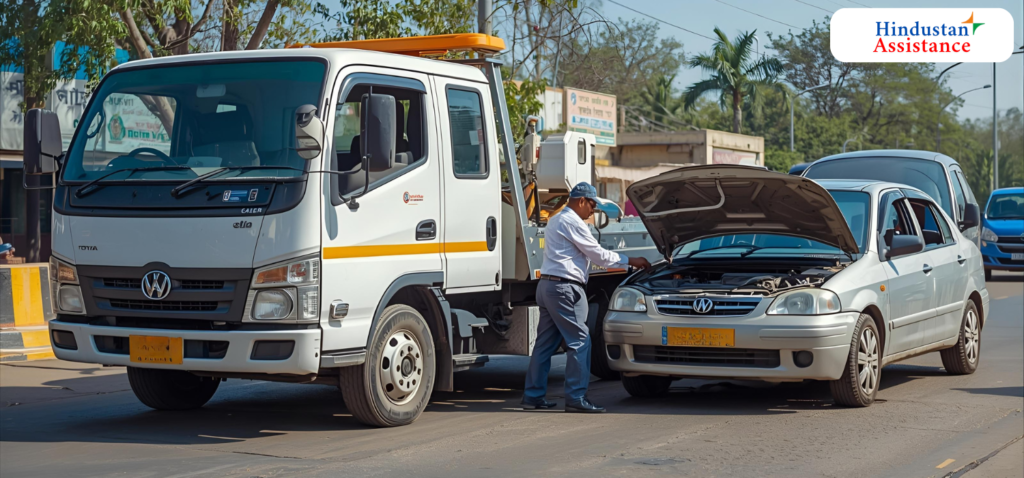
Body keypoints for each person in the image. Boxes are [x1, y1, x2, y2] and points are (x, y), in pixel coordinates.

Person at [521, 182, 652, 413]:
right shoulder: (572, 221)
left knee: (544, 344)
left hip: (548, 286)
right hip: (565, 288)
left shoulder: (556, 219)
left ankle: (533, 396)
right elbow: (598, 255)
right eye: (592, 205)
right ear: (581, 201)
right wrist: (632, 260)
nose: (593, 211)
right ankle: (576, 397)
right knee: (580, 340)